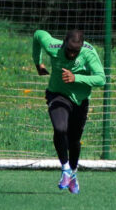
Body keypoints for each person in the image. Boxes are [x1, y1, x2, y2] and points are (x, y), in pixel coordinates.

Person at [32, 28, 106, 193]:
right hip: (57, 94)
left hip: (80, 101)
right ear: (64, 43)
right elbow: (38, 35)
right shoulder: (53, 46)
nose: (72, 54)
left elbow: (101, 79)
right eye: (69, 50)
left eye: (76, 51)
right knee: (60, 128)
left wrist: (76, 77)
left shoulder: (89, 53)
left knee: (74, 141)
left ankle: (73, 173)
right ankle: (65, 168)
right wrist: (38, 62)